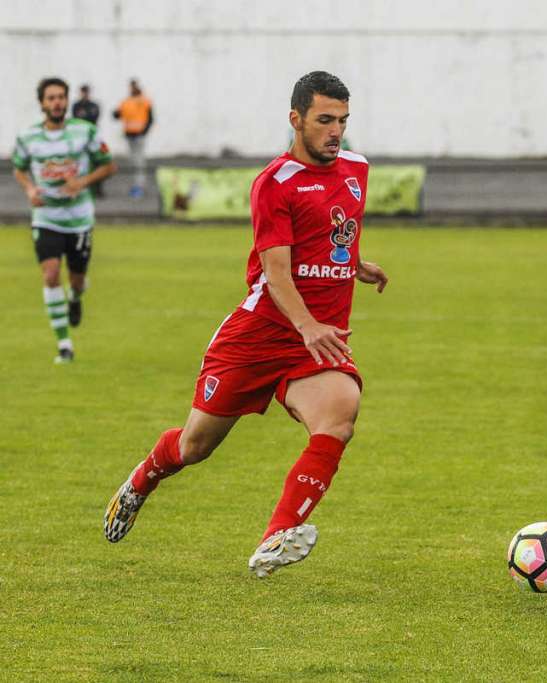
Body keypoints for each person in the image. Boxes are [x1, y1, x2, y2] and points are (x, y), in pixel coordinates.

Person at [103, 71, 389, 578]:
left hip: (313, 340)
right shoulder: (272, 184)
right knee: (196, 447)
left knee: (339, 416)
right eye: (324, 120)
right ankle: (144, 477)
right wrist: (306, 326)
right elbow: (276, 274)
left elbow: (334, 227)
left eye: (343, 121)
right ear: (295, 119)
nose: (335, 132)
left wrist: (355, 263)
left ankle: (276, 536)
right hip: (259, 335)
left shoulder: (356, 169)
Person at [12, 77, 117, 363]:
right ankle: (64, 346)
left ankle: (76, 297)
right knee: (50, 274)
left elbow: (109, 165)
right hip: (46, 216)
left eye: (61, 97)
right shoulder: (28, 137)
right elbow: (19, 168)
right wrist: (31, 189)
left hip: (79, 219)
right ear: (42, 103)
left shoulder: (85, 131)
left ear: (67, 100)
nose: (57, 102)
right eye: (51, 98)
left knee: (77, 279)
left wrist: (82, 182)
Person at [113, 78, 154, 198]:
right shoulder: (126, 102)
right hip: (129, 135)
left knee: (139, 161)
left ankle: (139, 185)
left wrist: (144, 132)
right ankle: (135, 184)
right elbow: (118, 114)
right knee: (133, 160)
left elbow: (150, 118)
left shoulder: (145, 101)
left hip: (139, 136)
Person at [72, 84, 105, 198]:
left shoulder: (94, 105)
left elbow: (93, 119)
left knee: (97, 162)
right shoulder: (76, 105)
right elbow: (76, 119)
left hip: (92, 138)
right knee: (81, 163)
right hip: (80, 137)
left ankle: (98, 188)